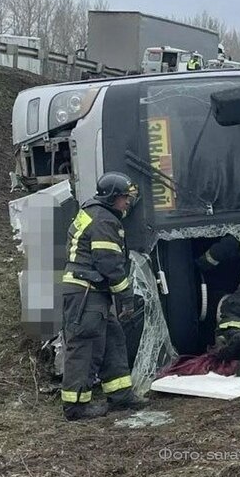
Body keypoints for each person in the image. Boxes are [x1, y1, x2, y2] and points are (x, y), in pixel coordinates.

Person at [60, 172, 151, 420]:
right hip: (86, 293)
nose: (127, 203)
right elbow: (109, 265)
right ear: (112, 197)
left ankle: (120, 397)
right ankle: (76, 406)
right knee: (85, 346)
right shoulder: (104, 221)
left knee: (113, 339)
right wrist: (126, 298)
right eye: (124, 198)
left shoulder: (94, 213)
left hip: (89, 292)